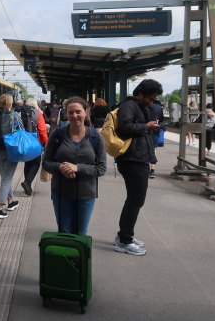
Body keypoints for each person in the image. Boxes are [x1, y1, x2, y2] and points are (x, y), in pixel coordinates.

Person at [42, 96, 106, 234]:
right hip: (61, 193)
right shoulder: (57, 135)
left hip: (86, 194)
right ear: (66, 114)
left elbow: (101, 168)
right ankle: (66, 256)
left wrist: (78, 168)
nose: (74, 115)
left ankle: (79, 256)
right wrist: (61, 167)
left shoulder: (96, 137)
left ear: (86, 112)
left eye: (78, 111)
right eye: (70, 112)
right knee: (64, 232)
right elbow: (46, 163)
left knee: (81, 232)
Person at [114, 78, 163, 256]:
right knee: (135, 200)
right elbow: (124, 126)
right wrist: (146, 126)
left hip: (138, 157)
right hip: (132, 159)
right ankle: (124, 240)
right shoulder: (129, 105)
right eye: (150, 98)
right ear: (140, 93)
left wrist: (149, 127)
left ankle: (124, 236)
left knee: (135, 199)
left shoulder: (138, 106)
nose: (151, 102)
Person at [20, 98, 48, 196]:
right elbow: (42, 130)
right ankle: (27, 182)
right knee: (36, 162)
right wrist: (46, 143)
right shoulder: (37, 114)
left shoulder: (20, 112)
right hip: (35, 142)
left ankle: (28, 186)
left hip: (23, 142)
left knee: (28, 163)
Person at [147, 99, 164, 179]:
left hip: (146, 130)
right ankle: (152, 171)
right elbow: (162, 120)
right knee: (154, 149)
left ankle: (146, 168)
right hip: (156, 130)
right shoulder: (159, 108)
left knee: (145, 148)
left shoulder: (146, 106)